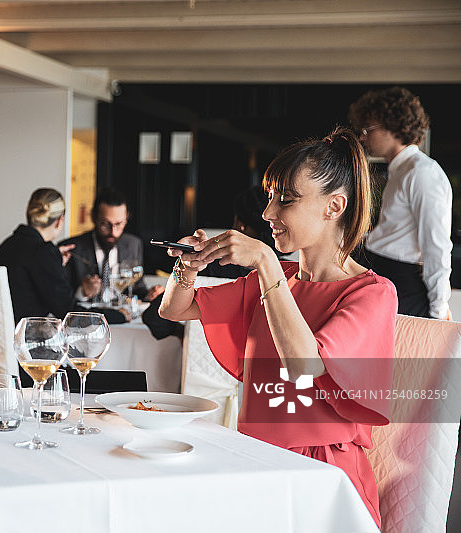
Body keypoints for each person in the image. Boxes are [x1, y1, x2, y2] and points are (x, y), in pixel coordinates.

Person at [158, 127, 396, 528]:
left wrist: (267, 264)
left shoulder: (372, 293)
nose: (268, 213)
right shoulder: (278, 278)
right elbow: (174, 309)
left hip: (320, 478)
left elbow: (306, 365)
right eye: (270, 198)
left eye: (285, 200)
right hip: (256, 459)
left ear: (334, 207)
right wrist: (188, 267)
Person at [349, 86, 452, 319]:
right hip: (384, 272)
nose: (363, 137)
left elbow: (436, 246)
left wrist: (438, 309)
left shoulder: (422, 172)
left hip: (402, 282)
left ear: (393, 127)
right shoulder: (400, 171)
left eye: (368, 129)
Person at [142, 185, 286, 340]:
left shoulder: (212, 267)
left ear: (240, 225)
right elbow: (167, 312)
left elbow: (155, 319)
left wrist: (191, 338)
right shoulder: (288, 273)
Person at [0, 188, 128, 324]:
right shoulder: (43, 252)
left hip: (1, 334)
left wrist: (54, 262)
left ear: (29, 215)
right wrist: (117, 316)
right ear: (59, 220)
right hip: (28, 338)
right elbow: (68, 312)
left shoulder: (6, 246)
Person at [60, 187, 163, 304]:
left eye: (119, 224)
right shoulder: (72, 248)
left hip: (123, 316)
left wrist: (150, 294)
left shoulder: (133, 244)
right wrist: (82, 292)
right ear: (93, 218)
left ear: (126, 218)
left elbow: (136, 288)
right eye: (105, 224)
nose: (113, 232)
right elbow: (59, 297)